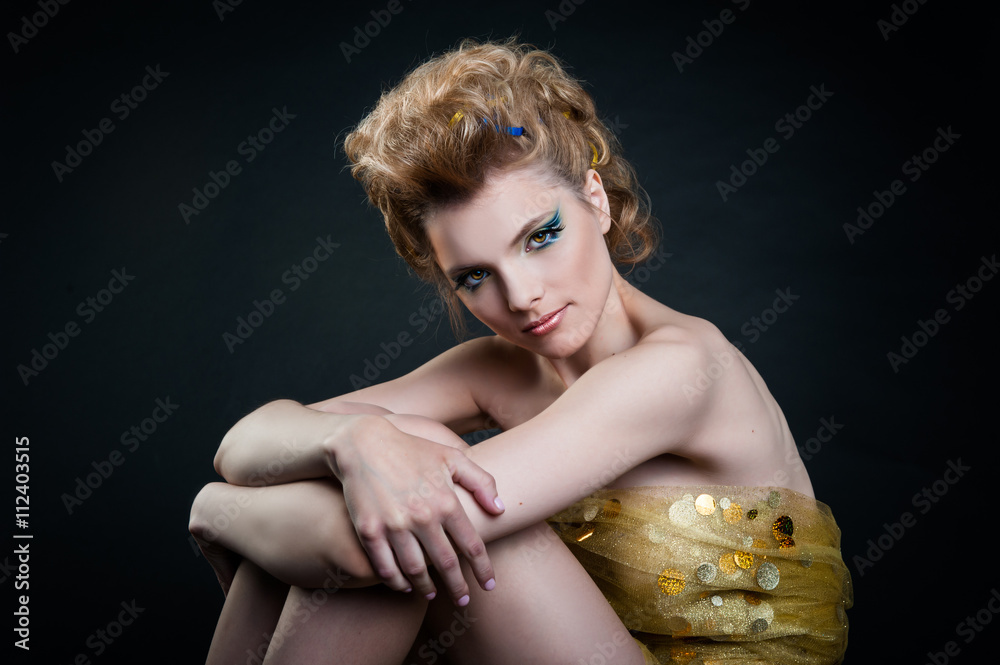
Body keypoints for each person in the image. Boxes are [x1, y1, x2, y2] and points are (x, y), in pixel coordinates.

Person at [189, 38, 852, 664]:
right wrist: (352, 442)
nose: (522, 296)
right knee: (389, 462)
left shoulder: (681, 367)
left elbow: (367, 550)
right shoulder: (497, 370)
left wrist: (216, 513)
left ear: (595, 201)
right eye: (475, 276)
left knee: (421, 499)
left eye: (541, 237)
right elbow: (246, 447)